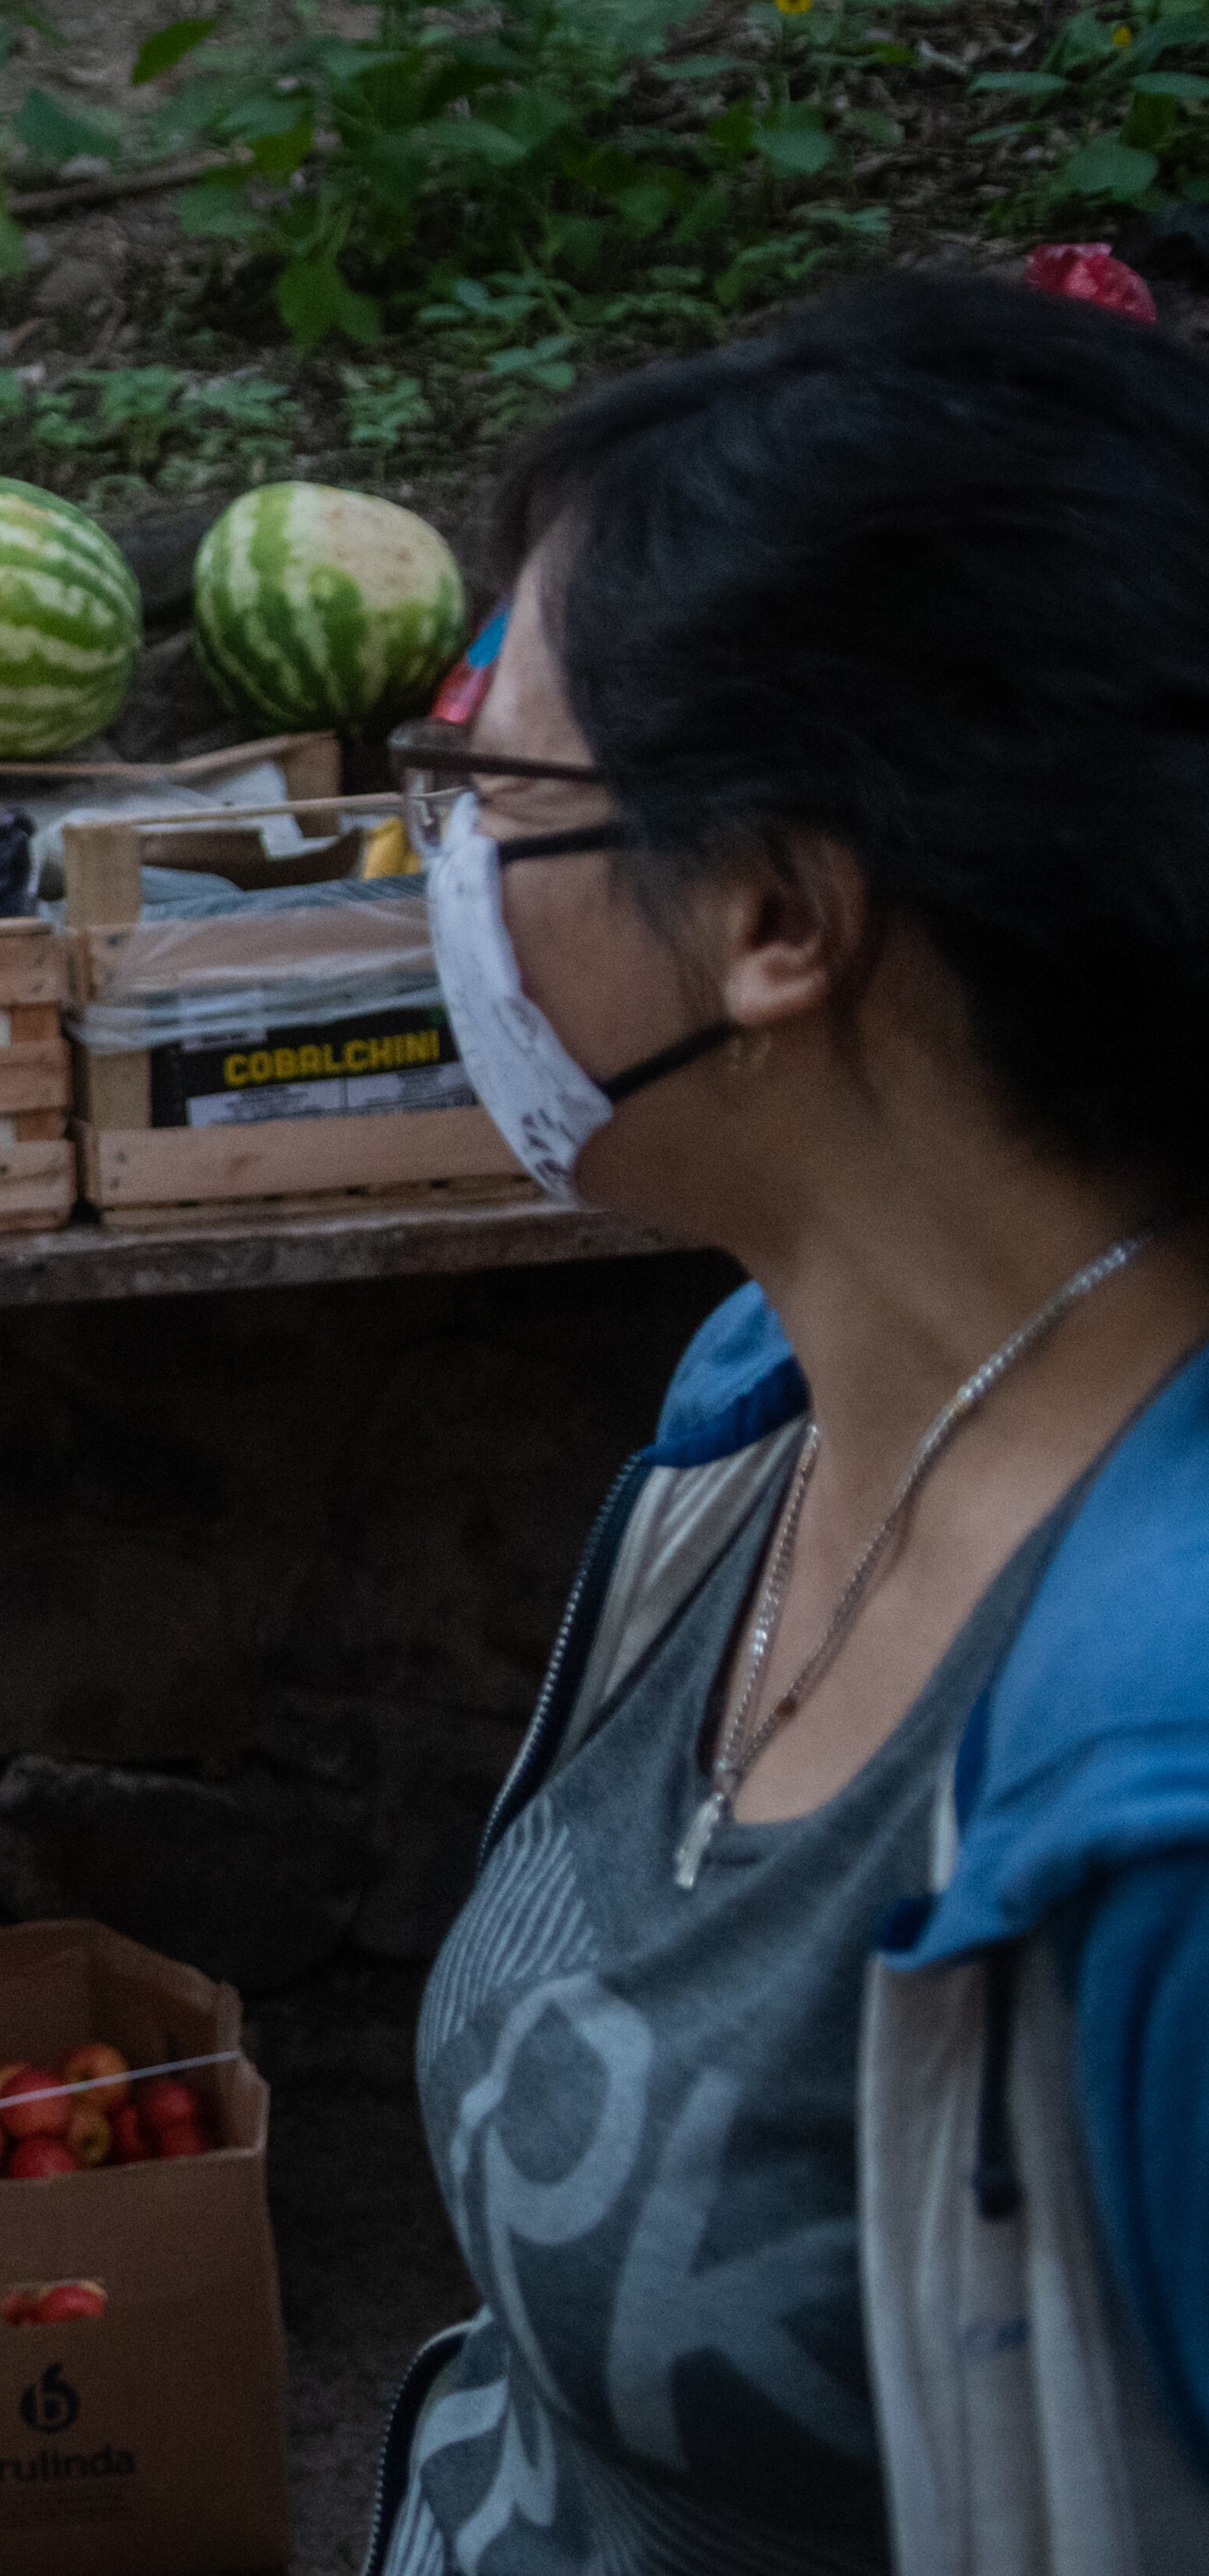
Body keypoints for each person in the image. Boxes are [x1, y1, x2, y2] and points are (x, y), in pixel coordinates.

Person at [363, 274, 1209, 2576]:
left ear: (775, 913)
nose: (436, 876)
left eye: (487, 793)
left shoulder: (1166, 1797)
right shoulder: (763, 1423)